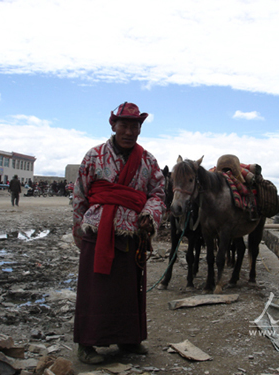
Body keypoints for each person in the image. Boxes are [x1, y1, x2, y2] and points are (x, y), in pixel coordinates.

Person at [72, 102, 166, 364]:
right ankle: (87, 345)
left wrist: (149, 215)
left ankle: (128, 340)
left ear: (140, 129)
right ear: (113, 126)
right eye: (123, 125)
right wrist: (78, 231)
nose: (128, 131)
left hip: (132, 234)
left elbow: (158, 194)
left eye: (134, 126)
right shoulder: (94, 156)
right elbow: (80, 193)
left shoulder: (148, 160)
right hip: (97, 232)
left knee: (128, 290)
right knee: (95, 291)